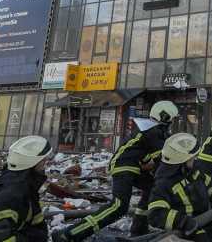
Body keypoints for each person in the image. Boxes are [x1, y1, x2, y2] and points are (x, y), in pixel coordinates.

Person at [54, 101, 179, 241]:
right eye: (172, 119)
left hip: (132, 166)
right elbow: (162, 162)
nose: (172, 123)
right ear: (165, 117)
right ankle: (70, 234)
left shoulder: (149, 129)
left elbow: (147, 156)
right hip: (124, 166)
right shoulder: (154, 132)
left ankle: (139, 228)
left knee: (151, 188)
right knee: (118, 207)